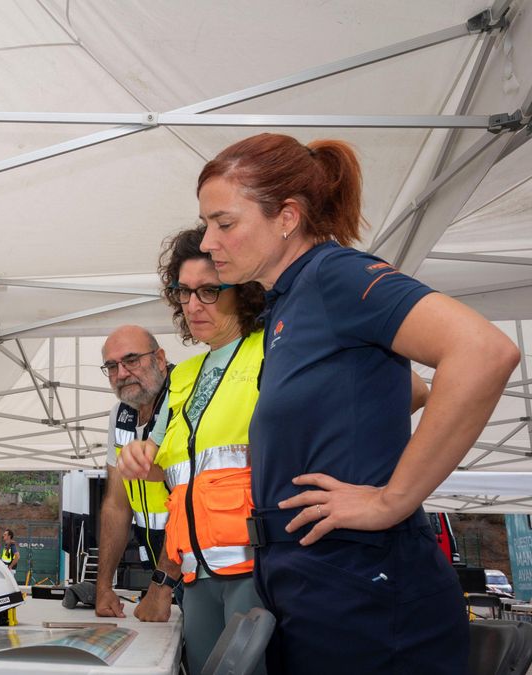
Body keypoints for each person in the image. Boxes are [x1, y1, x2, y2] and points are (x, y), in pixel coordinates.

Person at [195, 133, 518, 674]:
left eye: (224, 223)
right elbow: (408, 387)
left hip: (362, 582)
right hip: (309, 578)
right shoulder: (287, 304)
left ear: (287, 217)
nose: (208, 241)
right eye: (207, 224)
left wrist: (392, 498)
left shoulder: (334, 275)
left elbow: (483, 351)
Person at [118, 226, 268, 674]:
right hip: (195, 573)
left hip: (258, 567)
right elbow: (171, 470)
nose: (193, 305)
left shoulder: (274, 350)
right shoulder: (184, 376)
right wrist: (138, 459)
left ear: (242, 291)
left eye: (209, 290)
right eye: (183, 292)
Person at [94, 325, 176, 620]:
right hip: (162, 576)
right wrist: (102, 587)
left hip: (201, 573)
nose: (122, 373)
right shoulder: (121, 415)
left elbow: (192, 498)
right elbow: (116, 505)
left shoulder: (185, 399)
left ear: (160, 358)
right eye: (112, 366)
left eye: (132, 360)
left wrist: (162, 585)